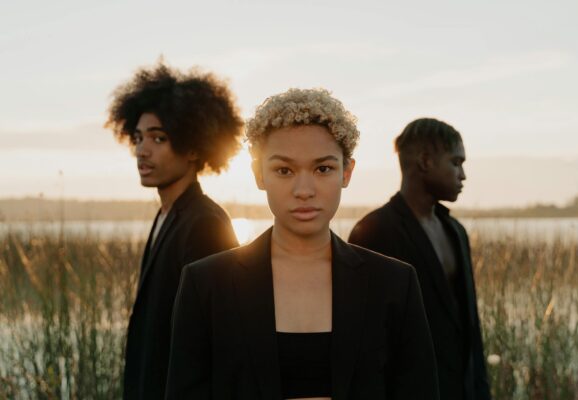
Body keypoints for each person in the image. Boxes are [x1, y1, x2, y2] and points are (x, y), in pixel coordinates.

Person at [165, 89, 439, 399]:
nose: (304, 190)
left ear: (347, 172)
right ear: (258, 174)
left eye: (323, 169)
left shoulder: (394, 284)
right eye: (284, 170)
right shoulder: (205, 284)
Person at [105, 62, 242, 400]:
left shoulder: (206, 224)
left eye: (158, 138)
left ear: (194, 147)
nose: (142, 150)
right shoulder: (166, 215)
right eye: (138, 138)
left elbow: (218, 343)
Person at [348, 118, 491, 400]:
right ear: (425, 161)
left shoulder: (456, 231)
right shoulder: (375, 231)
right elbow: (362, 342)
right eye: (456, 162)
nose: (463, 175)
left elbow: (469, 328)